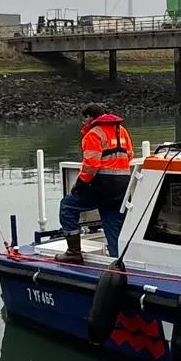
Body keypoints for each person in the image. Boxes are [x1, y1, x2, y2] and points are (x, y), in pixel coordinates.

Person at [57, 102, 134, 260]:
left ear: (89, 117)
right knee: (112, 221)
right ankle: (118, 261)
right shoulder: (121, 130)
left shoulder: (93, 134)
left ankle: (73, 252)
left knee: (67, 206)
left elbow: (91, 165)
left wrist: (80, 184)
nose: (83, 122)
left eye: (84, 119)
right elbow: (130, 155)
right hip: (123, 184)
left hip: (102, 184)